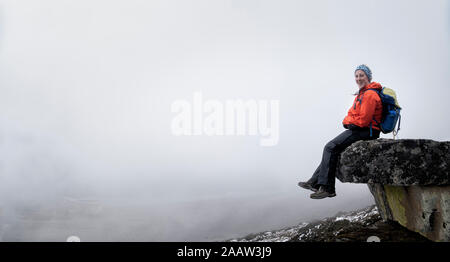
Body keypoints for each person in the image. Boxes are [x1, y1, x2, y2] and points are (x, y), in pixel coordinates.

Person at [298, 64, 383, 199]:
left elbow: (363, 120)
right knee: (333, 150)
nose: (359, 78)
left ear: (368, 77)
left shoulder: (370, 95)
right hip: (361, 128)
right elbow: (350, 113)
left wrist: (348, 122)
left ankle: (328, 188)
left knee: (330, 147)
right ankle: (314, 182)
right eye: (356, 76)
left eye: (362, 75)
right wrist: (349, 120)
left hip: (366, 131)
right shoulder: (361, 94)